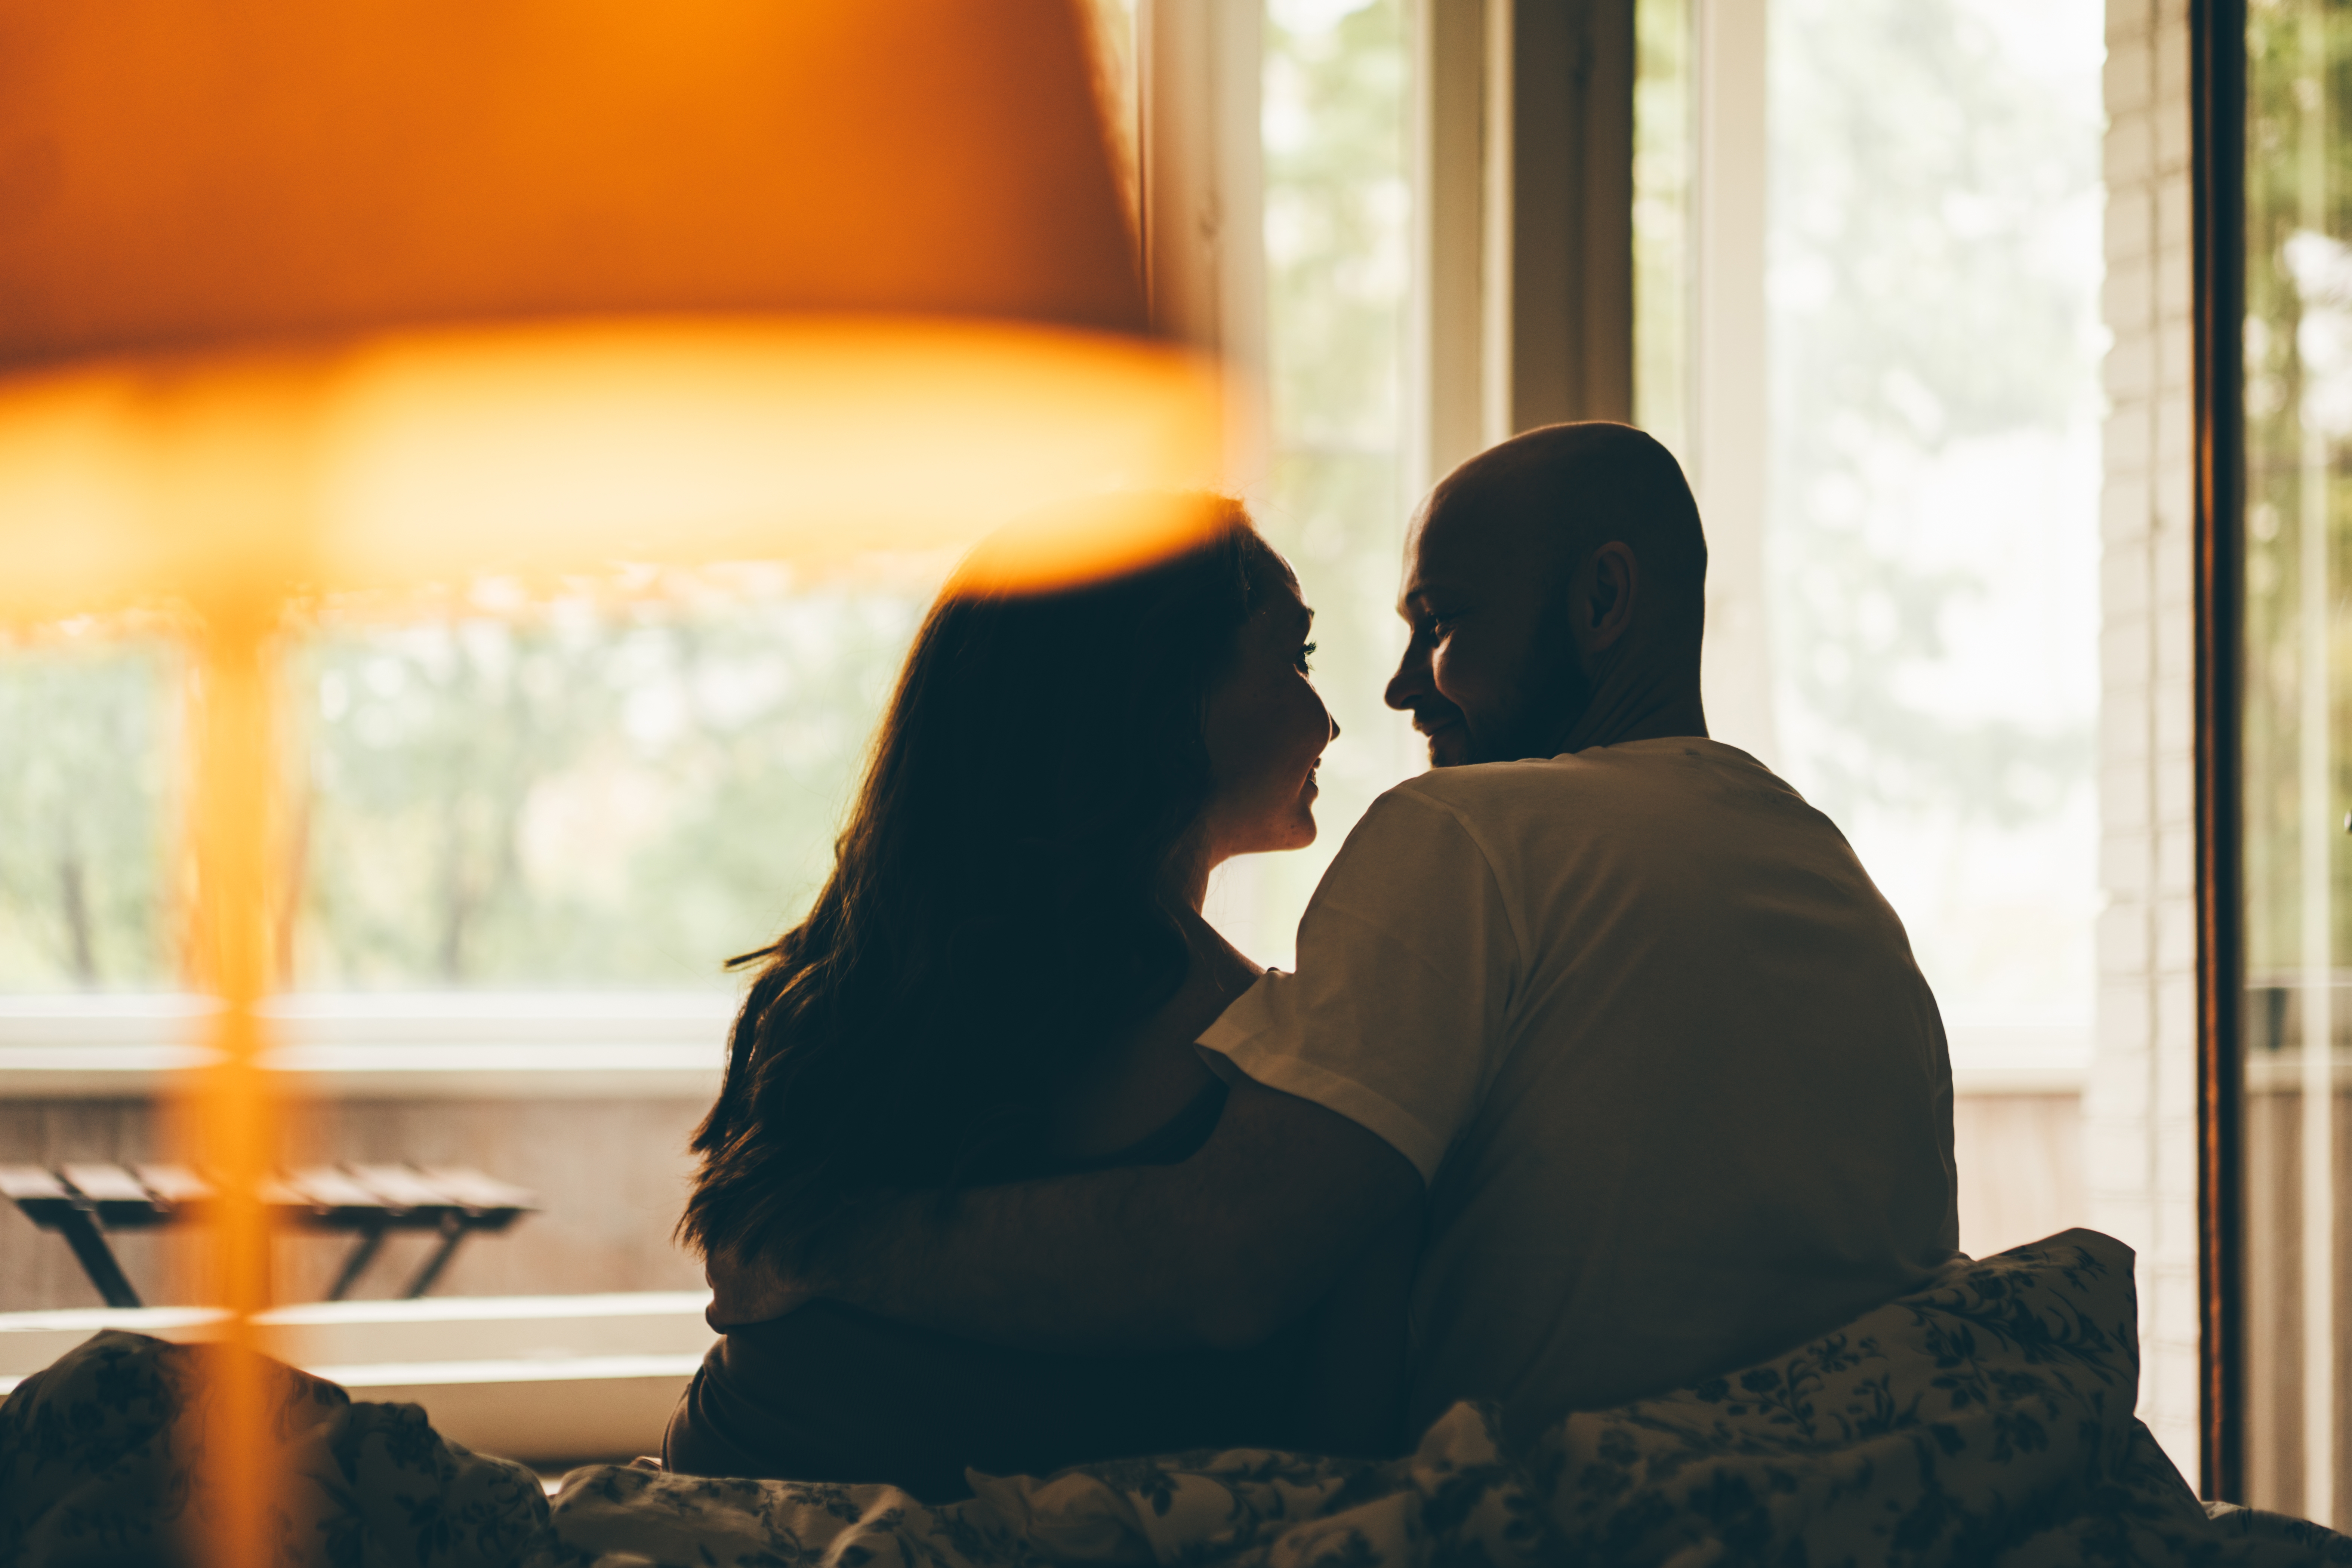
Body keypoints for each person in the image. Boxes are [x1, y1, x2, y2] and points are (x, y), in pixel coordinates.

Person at [708, 422, 1960, 1452]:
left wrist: (815, 1240)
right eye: (1301, 656)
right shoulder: (1832, 880)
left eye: (1443, 620)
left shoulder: (1465, 847)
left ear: (1603, 601)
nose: (1392, 691)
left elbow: (1233, 1268)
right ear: (1147, 693)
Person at [665, 499, 1409, 1500]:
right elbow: (1337, 1431)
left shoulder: (826, 982)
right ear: (1158, 686)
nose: (1329, 716)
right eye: (1295, 654)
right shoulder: (1262, 1045)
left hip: (702, 1502)